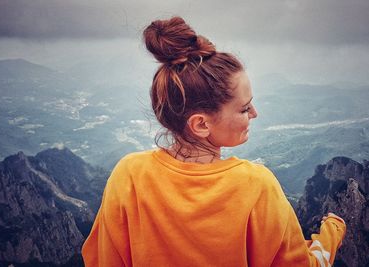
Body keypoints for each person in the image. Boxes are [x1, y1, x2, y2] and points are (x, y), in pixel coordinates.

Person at [82, 16, 346, 266]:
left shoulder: (129, 175)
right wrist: (332, 234)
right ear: (201, 124)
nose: (255, 114)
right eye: (244, 108)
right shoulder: (256, 186)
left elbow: (102, 259)